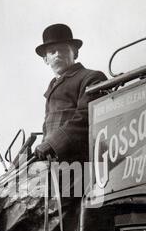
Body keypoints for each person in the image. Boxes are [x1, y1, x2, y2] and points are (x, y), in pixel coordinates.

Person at [34, 23, 107, 164]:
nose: (58, 54)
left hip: (81, 162)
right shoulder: (52, 87)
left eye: (63, 49)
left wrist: (52, 143)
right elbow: (47, 129)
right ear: (45, 59)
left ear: (75, 53)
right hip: (56, 164)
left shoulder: (91, 77)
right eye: (52, 51)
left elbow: (87, 117)